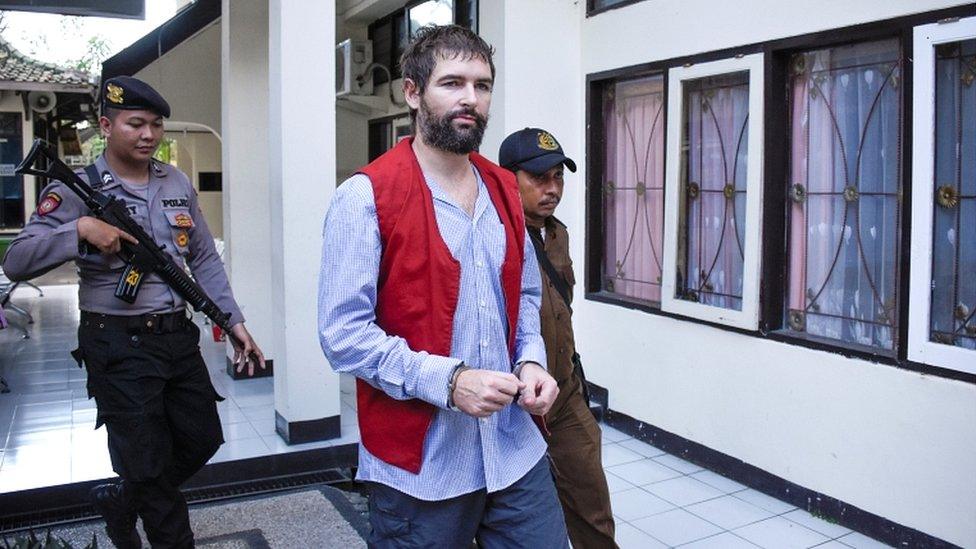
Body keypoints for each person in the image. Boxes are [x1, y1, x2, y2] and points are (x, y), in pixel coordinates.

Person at [319, 25, 569, 548]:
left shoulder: (503, 188)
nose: (470, 100)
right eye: (452, 83)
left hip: (512, 449)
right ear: (413, 92)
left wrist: (531, 361)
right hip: (423, 465)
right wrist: (449, 381)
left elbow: (522, 298)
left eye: (482, 85)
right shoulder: (365, 197)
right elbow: (342, 335)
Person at [2, 76, 264, 549]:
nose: (149, 135)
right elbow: (16, 260)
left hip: (176, 337)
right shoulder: (76, 188)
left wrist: (233, 320)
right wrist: (80, 229)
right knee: (149, 465)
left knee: (202, 438)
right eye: (136, 124)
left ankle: (124, 498)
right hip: (118, 343)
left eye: (156, 125)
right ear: (106, 125)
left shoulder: (175, 181)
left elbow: (202, 256)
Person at [500, 127, 618, 548]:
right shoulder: (493, 238)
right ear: (508, 177)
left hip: (565, 393)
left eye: (558, 177)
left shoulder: (558, 234)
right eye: (539, 178)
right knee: (510, 522)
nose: (552, 189)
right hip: (511, 405)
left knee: (593, 508)